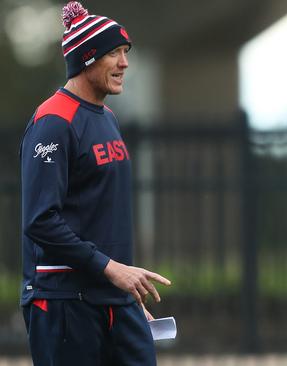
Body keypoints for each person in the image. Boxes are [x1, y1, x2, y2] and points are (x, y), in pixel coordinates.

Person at [20, 2, 171, 365]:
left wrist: (125, 295)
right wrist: (113, 270)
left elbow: (102, 215)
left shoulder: (108, 118)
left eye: (125, 52)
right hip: (64, 302)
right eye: (114, 53)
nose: (125, 63)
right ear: (86, 58)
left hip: (115, 301)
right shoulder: (53, 121)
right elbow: (40, 221)